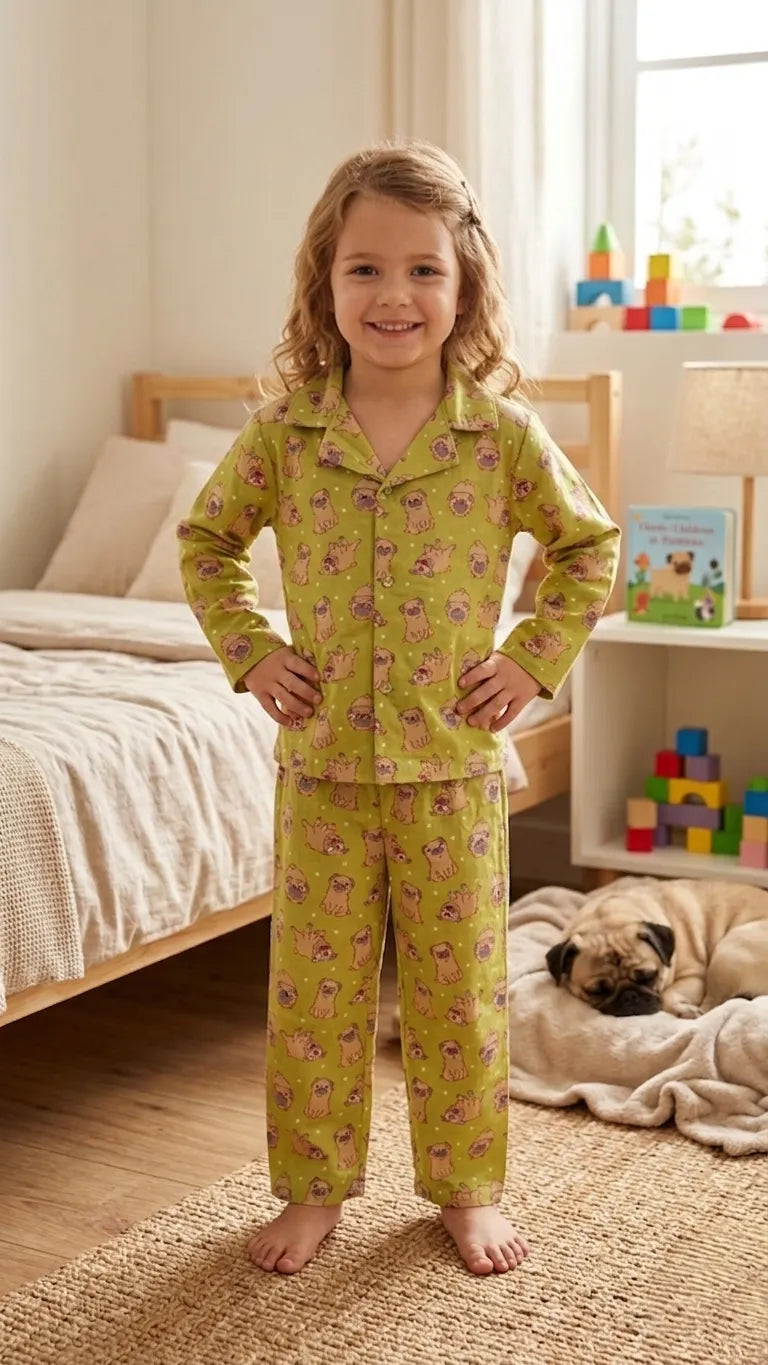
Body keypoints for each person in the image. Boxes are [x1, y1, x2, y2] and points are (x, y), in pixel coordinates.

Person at [177, 140, 620, 1278]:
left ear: (463, 286)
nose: (394, 296)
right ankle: (315, 1190)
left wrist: (530, 661)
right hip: (323, 770)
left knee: (457, 994)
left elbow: (587, 548)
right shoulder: (287, 433)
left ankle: (465, 1190)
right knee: (315, 995)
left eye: (423, 270)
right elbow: (208, 541)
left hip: (452, 772)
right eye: (365, 270)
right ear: (325, 284)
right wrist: (251, 649)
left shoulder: (504, 435)